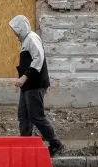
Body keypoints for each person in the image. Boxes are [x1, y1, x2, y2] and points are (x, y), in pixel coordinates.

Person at [9, 15, 64, 156]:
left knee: (36, 116)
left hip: (35, 84)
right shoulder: (26, 40)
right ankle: (26, 146)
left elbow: (38, 59)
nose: (15, 34)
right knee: (23, 116)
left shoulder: (32, 38)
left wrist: (24, 77)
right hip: (28, 85)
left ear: (21, 28)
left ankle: (55, 143)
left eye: (16, 31)